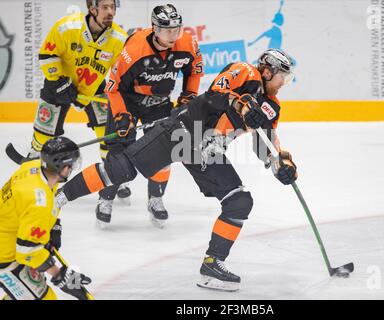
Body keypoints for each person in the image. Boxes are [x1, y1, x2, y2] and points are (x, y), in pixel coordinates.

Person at [56, 49, 298, 292]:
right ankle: (60, 197)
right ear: (268, 71)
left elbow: (265, 142)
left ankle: (212, 265)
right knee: (122, 169)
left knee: (239, 202)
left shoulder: (272, 106)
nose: (283, 84)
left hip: (205, 150)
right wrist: (240, 102)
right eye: (282, 77)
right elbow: (216, 93)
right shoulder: (246, 72)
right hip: (183, 130)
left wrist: (283, 165)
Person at [95, 3, 204, 228]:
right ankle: (105, 199)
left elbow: (194, 70)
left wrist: (189, 95)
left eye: (177, 29)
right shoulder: (134, 50)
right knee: (118, 153)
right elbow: (112, 88)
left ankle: (156, 199)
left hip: (159, 102)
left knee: (164, 152)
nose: (173, 35)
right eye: (167, 31)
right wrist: (122, 115)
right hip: (128, 100)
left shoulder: (187, 43)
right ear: (155, 28)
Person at [28, 0, 131, 200]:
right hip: (58, 83)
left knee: (107, 132)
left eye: (113, 7)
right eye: (105, 7)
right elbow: (47, 55)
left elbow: (123, 73)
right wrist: (59, 81)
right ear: (92, 9)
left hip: (95, 88)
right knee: (43, 132)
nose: (110, 12)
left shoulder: (119, 38)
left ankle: (112, 173)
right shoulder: (66, 27)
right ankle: (32, 165)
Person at [0, 137, 92, 300]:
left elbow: (31, 206)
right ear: (60, 167)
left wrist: (51, 226)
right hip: (5, 256)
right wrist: (60, 275)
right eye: (70, 166)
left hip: (13, 234)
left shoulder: (33, 167)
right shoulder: (38, 202)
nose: (71, 169)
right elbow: (26, 252)